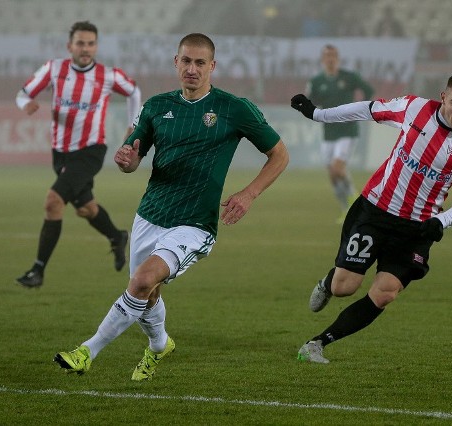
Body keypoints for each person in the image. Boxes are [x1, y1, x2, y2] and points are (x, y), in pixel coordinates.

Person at [53, 33, 289, 381]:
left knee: (142, 280)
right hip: (150, 215)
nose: (192, 69)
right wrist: (125, 160)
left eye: (199, 63)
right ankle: (159, 345)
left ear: (213, 66)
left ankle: (88, 351)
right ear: (175, 62)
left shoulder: (233, 108)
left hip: (195, 223)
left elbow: (279, 154)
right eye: (186, 61)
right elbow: (131, 160)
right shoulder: (155, 106)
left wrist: (248, 194)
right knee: (147, 292)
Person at [290, 71, 452, 363]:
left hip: (417, 229)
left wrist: (440, 222)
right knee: (345, 287)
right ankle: (328, 282)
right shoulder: (414, 108)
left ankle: (317, 344)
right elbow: (367, 109)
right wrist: (318, 114)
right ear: (443, 97)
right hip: (376, 211)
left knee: (385, 293)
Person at [15, 21, 141, 288]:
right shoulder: (55, 69)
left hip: (90, 151)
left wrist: (133, 123)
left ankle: (37, 271)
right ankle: (117, 236)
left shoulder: (107, 75)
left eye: (91, 43)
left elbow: (133, 91)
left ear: (96, 46)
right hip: (60, 153)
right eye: (81, 43)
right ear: (69, 46)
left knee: (53, 202)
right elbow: (23, 94)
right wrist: (27, 104)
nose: (86, 49)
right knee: (86, 208)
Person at [306, 45, 374, 223]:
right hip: (329, 132)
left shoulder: (349, 77)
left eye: (333, 56)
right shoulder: (317, 81)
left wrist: (361, 108)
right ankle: (346, 209)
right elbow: (311, 102)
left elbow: (367, 89)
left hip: (347, 130)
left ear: (338, 58)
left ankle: (355, 199)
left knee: (337, 168)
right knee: (332, 174)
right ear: (323, 59)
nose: (330, 59)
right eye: (327, 56)